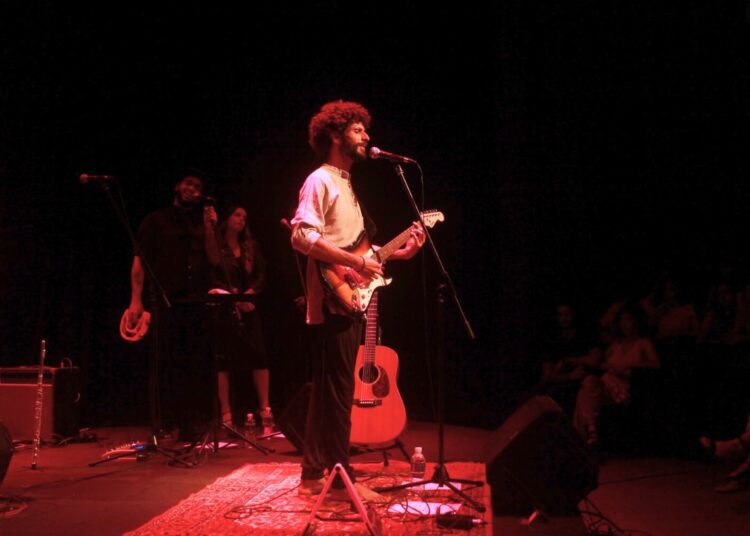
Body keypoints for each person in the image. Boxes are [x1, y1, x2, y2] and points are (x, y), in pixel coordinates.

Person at [290, 100, 425, 499]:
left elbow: (356, 249)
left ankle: (314, 475)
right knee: (335, 393)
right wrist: (353, 262)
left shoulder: (346, 183)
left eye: (365, 130)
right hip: (333, 301)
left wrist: (396, 254)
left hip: (347, 296)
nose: (367, 136)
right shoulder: (320, 180)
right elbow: (301, 236)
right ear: (334, 136)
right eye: (357, 130)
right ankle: (339, 479)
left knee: (328, 390)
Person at [125, 171, 219, 441]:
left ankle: (192, 424)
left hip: (197, 301)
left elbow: (214, 259)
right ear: (177, 186)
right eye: (188, 183)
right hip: (166, 301)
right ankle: (166, 422)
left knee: (195, 363)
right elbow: (139, 262)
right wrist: (135, 300)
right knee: (169, 363)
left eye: (198, 186)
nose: (193, 189)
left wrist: (212, 227)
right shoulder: (156, 220)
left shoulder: (202, 223)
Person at [209, 206, 274, 434]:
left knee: (259, 356)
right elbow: (211, 275)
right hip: (225, 308)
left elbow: (262, 276)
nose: (242, 219)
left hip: (249, 307)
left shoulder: (251, 246)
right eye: (237, 214)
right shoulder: (217, 246)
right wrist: (231, 294)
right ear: (226, 218)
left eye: (245, 217)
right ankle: (226, 414)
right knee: (224, 361)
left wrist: (249, 294)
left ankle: (265, 410)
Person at [573, 303, 660, 447]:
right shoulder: (616, 344)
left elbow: (656, 364)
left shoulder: (643, 342)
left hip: (627, 387)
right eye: (622, 320)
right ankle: (592, 431)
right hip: (608, 386)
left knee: (586, 391)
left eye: (628, 319)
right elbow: (603, 364)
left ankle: (584, 434)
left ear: (637, 321)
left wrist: (628, 367)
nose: (625, 324)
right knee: (587, 387)